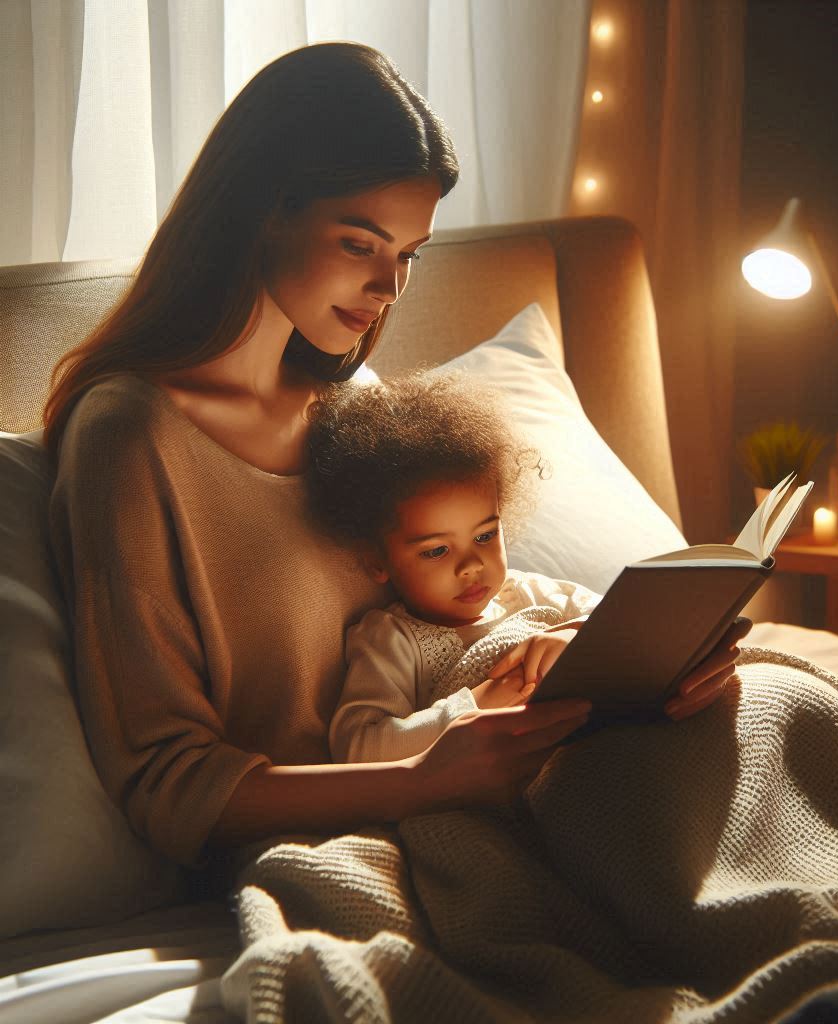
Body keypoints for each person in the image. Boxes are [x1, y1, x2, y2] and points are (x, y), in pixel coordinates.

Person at [43, 42, 748, 868]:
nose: (391, 289)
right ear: (262, 208)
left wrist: (661, 676)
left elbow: (489, 616)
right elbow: (167, 781)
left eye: (408, 254)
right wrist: (418, 781)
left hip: (520, 779)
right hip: (369, 832)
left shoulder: (360, 403)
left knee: (773, 704)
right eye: (360, 244)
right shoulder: (129, 438)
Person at [306, 372, 611, 763]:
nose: (471, 565)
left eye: (485, 536)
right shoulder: (393, 639)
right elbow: (360, 747)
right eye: (436, 551)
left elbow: (627, 625)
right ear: (377, 561)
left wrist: (574, 638)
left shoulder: (531, 594)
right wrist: (474, 708)